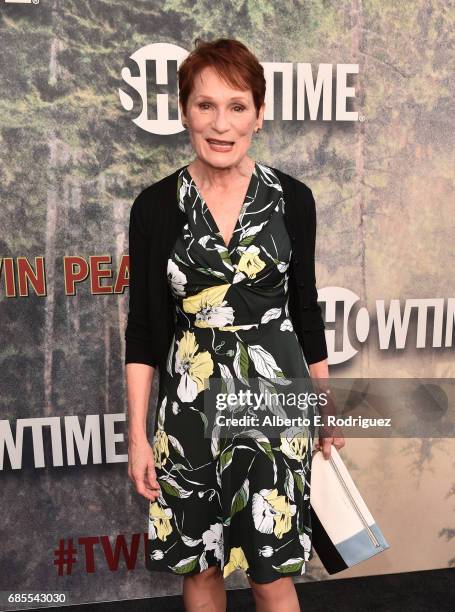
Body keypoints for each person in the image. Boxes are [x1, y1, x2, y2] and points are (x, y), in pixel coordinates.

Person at [125, 37, 344, 612]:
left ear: (260, 114)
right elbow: (144, 329)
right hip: (189, 410)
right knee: (201, 568)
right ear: (183, 112)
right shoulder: (154, 207)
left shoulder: (293, 199)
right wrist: (138, 434)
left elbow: (306, 309)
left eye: (237, 106)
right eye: (205, 105)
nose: (221, 124)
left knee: (271, 573)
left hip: (275, 403)